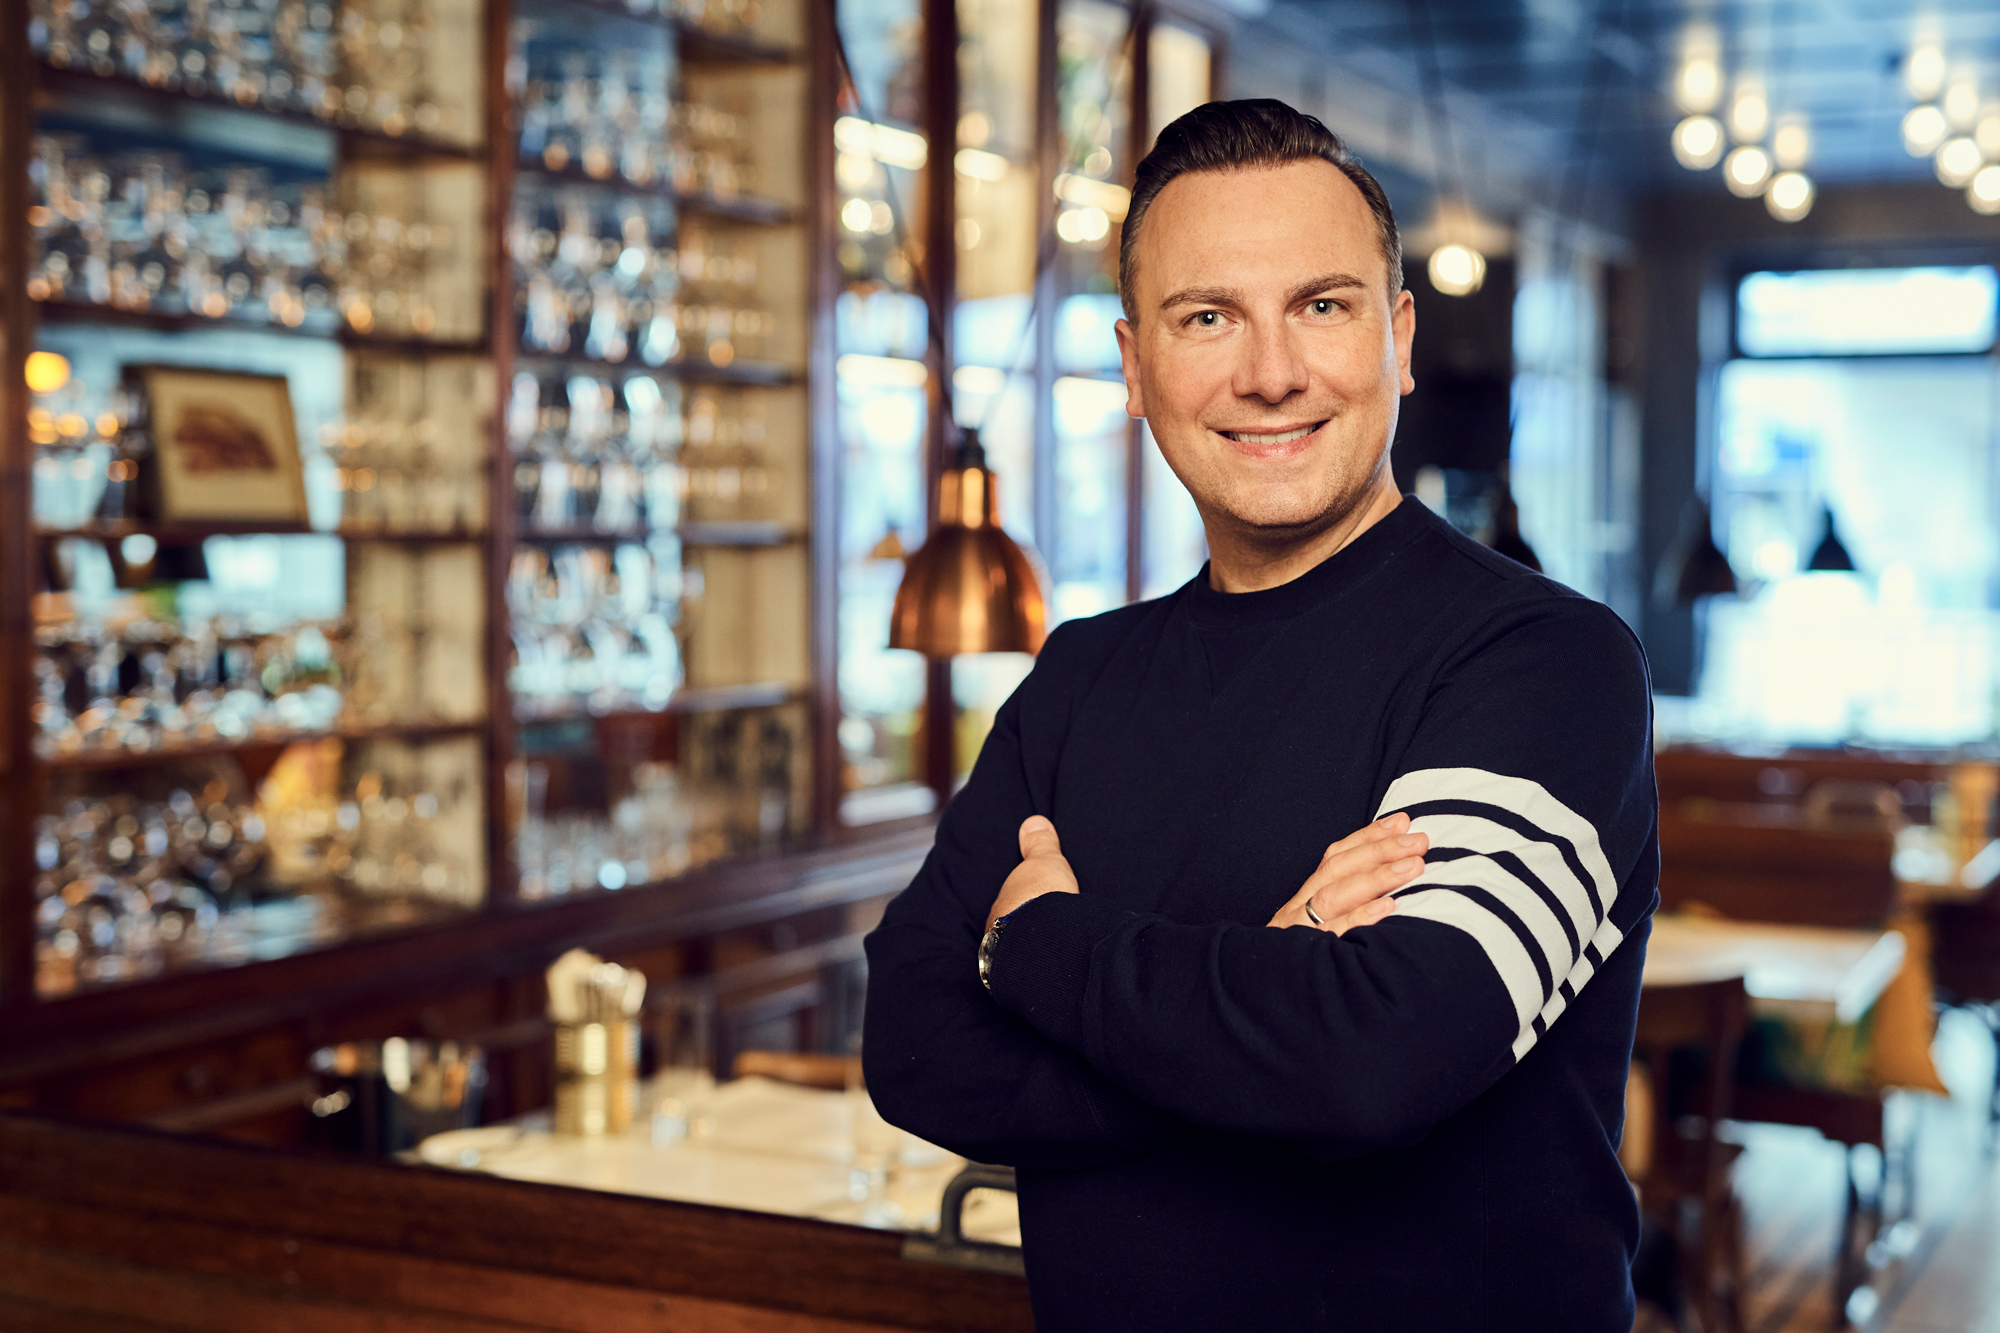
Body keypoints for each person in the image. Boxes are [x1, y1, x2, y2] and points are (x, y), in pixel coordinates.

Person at [862, 98, 1657, 1331]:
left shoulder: (1545, 662)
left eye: (1321, 306)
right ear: (1133, 367)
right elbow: (911, 1042)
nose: (1270, 371)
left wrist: (1038, 950)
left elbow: (1374, 1060)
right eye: (1206, 317)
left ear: (1396, 338)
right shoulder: (1077, 677)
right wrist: (1262, 991)